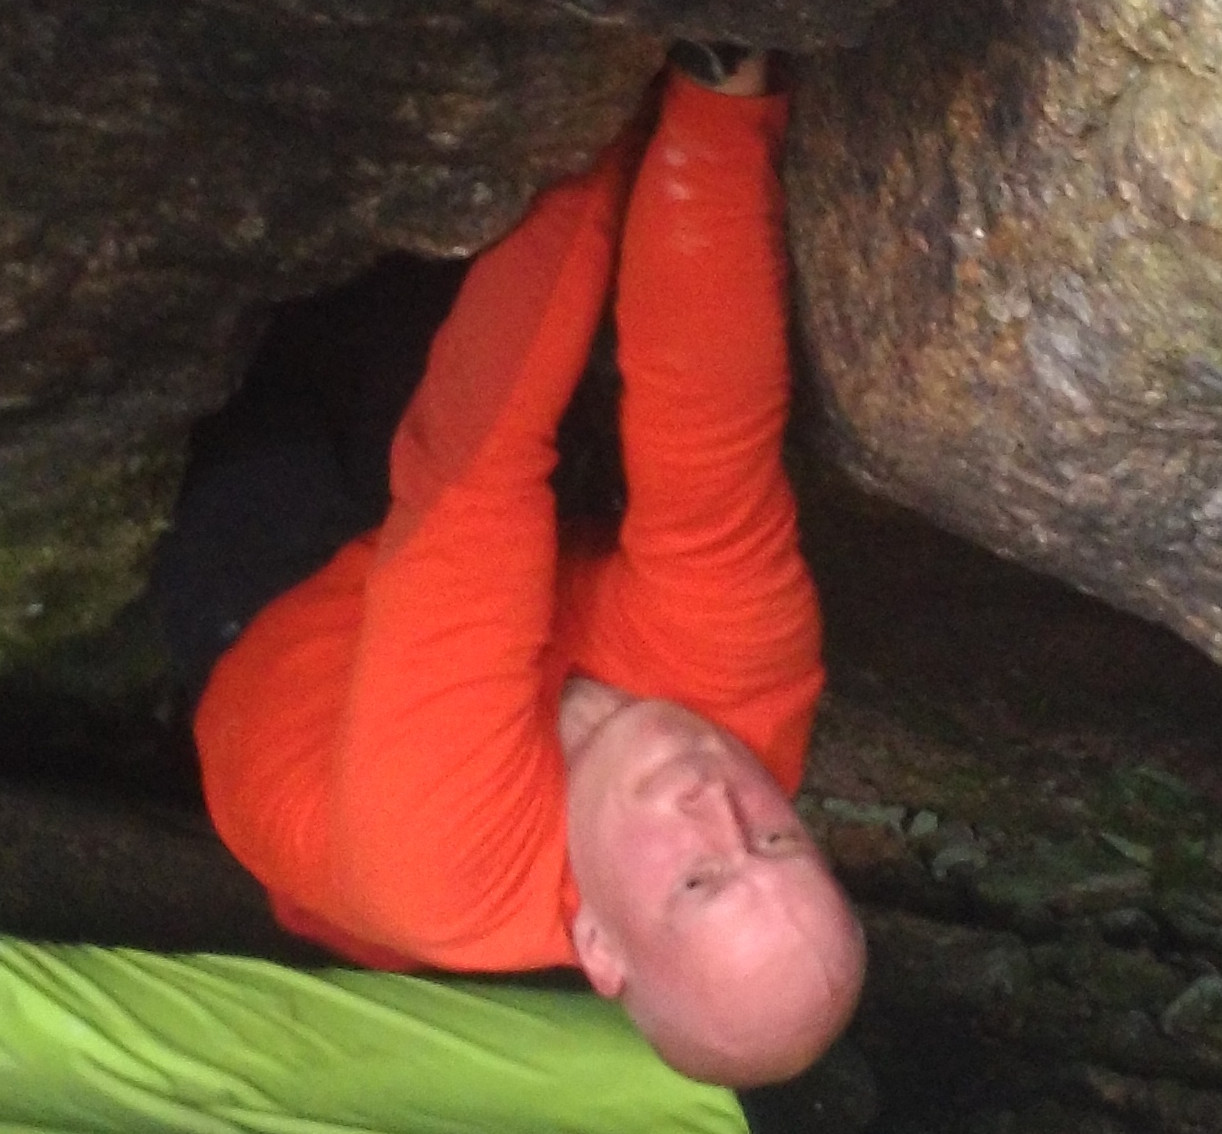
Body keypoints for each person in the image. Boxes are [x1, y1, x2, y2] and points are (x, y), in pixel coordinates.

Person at [157, 47, 866, 1088]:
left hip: (276, 604)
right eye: (775, 843)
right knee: (535, 336)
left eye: (698, 882)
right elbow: (709, 421)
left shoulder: (438, 850)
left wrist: (598, 102)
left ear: (601, 949)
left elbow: (471, 463)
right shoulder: (755, 705)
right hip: (470, 621)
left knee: (389, 309)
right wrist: (716, 95)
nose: (717, 802)